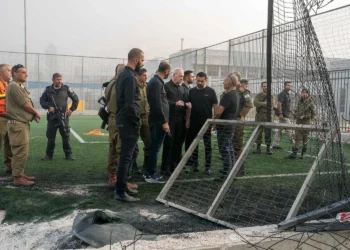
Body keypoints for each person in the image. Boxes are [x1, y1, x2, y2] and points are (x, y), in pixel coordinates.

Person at [115, 48, 144, 202]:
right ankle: (120, 192)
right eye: (142, 60)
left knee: (129, 155)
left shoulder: (124, 75)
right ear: (136, 60)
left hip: (124, 121)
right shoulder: (130, 77)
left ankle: (123, 185)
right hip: (128, 122)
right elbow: (129, 104)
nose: (142, 63)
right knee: (126, 157)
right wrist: (136, 120)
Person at [6, 64, 41, 186]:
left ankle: (19, 174)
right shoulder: (14, 86)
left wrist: (33, 115)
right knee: (20, 151)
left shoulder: (19, 86)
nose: (26, 74)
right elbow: (25, 104)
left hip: (21, 124)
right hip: (18, 125)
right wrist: (36, 112)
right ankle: (17, 178)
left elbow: (26, 103)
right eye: (23, 72)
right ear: (15, 74)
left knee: (21, 150)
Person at [40, 73, 79, 161]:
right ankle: (48, 155)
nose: (60, 81)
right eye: (57, 79)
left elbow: (76, 99)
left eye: (60, 79)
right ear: (53, 80)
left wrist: (71, 109)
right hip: (52, 118)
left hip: (63, 117)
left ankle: (68, 154)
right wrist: (48, 107)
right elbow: (42, 100)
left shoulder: (66, 88)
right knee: (50, 137)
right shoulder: (48, 90)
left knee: (65, 135)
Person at [186, 72, 218, 175]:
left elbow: (215, 107)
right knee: (194, 144)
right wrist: (187, 120)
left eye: (202, 81)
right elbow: (189, 107)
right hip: (194, 122)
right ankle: (194, 165)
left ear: (206, 80)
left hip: (207, 123)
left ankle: (207, 167)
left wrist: (214, 121)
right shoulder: (191, 91)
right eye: (198, 81)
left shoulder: (211, 91)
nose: (199, 83)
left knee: (207, 145)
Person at [145, 61, 171, 183]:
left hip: (157, 121)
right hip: (158, 122)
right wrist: (164, 122)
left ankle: (149, 172)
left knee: (154, 148)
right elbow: (156, 104)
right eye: (169, 73)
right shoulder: (156, 83)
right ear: (166, 71)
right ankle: (150, 174)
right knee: (155, 148)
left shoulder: (156, 82)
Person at [161, 68, 190, 175]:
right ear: (173, 75)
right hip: (170, 119)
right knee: (169, 143)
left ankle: (175, 166)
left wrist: (187, 105)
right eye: (180, 76)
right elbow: (163, 101)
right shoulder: (166, 86)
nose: (182, 79)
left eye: (183, 77)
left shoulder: (182, 88)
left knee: (178, 144)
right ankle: (165, 168)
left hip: (180, 119)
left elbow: (185, 101)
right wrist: (175, 103)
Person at [214, 74, 239, 176]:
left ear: (229, 83)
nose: (223, 82)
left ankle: (226, 172)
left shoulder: (228, 95)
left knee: (224, 149)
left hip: (224, 126)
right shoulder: (236, 94)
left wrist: (214, 121)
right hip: (230, 125)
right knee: (229, 148)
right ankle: (231, 170)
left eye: (225, 81)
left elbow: (219, 112)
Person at [288, 88, 315, 159]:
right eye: (302, 92)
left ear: (308, 94)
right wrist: (294, 113)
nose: (304, 94)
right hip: (298, 122)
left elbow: (314, 114)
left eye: (305, 93)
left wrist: (305, 116)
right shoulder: (300, 101)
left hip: (306, 123)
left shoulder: (310, 102)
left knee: (305, 139)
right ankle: (294, 154)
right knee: (297, 138)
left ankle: (302, 155)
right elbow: (298, 110)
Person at [232, 76, 253, 160]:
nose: (246, 85)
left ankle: (239, 158)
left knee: (238, 139)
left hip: (238, 119)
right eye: (245, 84)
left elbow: (249, 104)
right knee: (232, 139)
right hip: (232, 118)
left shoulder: (244, 92)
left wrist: (241, 115)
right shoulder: (234, 91)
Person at [135, 68, 150, 173]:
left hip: (146, 118)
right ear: (138, 76)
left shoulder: (147, 86)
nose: (146, 77)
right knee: (133, 144)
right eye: (144, 75)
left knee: (149, 142)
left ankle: (146, 164)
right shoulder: (133, 86)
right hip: (135, 118)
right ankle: (133, 166)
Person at [253, 81, 275, 155]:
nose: (265, 87)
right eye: (264, 86)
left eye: (266, 86)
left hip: (268, 117)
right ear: (262, 87)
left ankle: (268, 149)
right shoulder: (258, 95)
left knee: (268, 133)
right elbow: (255, 103)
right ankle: (258, 148)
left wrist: (261, 104)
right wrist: (265, 103)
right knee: (258, 133)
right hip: (259, 116)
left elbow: (271, 105)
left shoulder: (271, 96)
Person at [272, 81, 294, 149]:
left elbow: (288, 106)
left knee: (280, 130)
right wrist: (280, 113)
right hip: (284, 115)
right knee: (289, 129)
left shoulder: (287, 94)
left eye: (290, 86)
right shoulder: (282, 94)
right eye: (288, 85)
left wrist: (293, 112)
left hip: (285, 115)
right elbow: (279, 104)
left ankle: (275, 144)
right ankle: (293, 144)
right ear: (284, 86)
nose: (289, 87)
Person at [0, 64, 13, 174]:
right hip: (1, 117)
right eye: (9, 70)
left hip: (9, 117)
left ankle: (10, 165)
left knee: (10, 143)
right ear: (1, 73)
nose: (11, 72)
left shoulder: (9, 84)